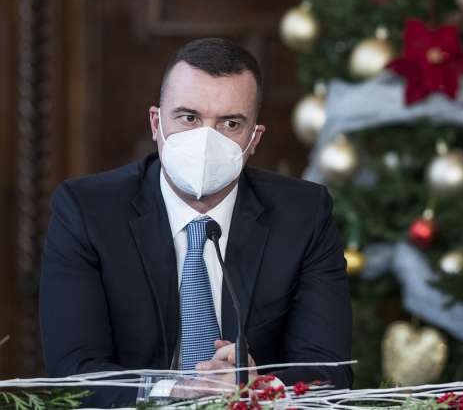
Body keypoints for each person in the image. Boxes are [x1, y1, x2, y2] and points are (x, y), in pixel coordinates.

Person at [39, 38, 352, 407]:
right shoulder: (87, 211)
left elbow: (330, 370)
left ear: (254, 140)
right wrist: (175, 392)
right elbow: (73, 371)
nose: (206, 140)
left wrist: (261, 386)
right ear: (156, 124)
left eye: (230, 123)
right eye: (188, 118)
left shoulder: (303, 214)